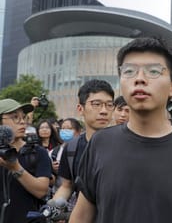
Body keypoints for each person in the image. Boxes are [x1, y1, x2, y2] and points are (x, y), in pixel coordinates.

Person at [69, 37, 172, 223]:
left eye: (154, 71)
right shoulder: (100, 143)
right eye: (129, 71)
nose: (139, 79)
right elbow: (82, 214)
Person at [51, 79, 114, 209]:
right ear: (80, 109)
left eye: (109, 105)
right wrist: (52, 207)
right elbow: (67, 186)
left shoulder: (123, 145)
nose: (104, 110)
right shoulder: (71, 148)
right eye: (96, 104)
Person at [0, 98, 52, 222]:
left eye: (23, 117)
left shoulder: (37, 152)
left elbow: (41, 191)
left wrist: (15, 168)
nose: (22, 122)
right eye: (15, 117)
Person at [50, 118, 82, 194]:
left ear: (78, 131)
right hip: (59, 194)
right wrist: (52, 169)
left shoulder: (85, 149)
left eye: (69, 128)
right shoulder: (53, 152)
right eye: (63, 128)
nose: (65, 131)